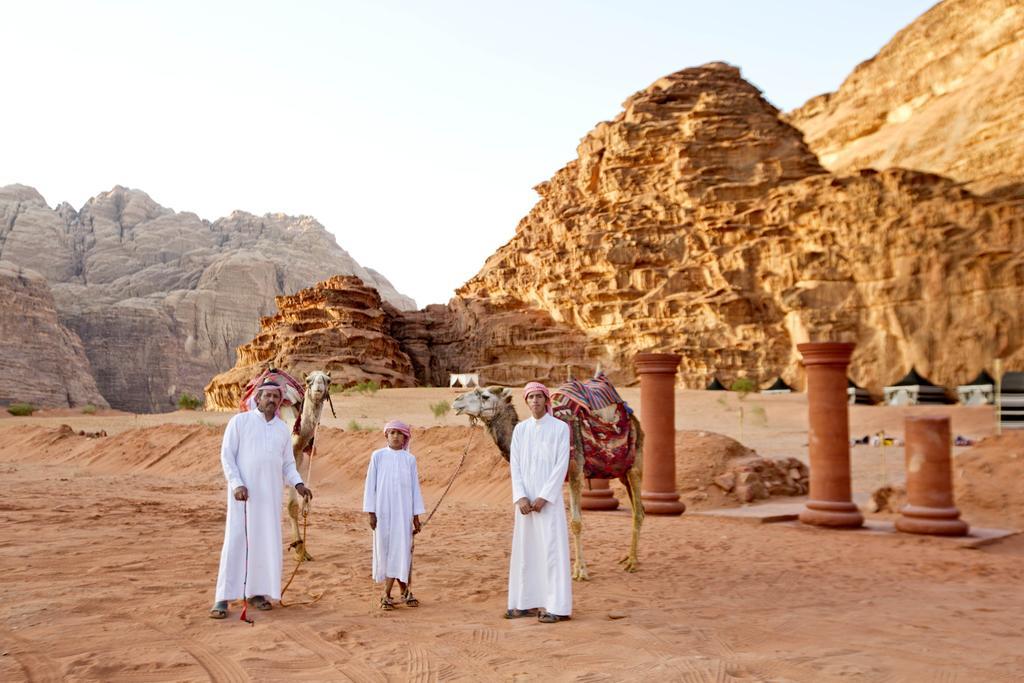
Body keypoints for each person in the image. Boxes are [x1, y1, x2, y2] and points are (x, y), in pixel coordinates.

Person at [209, 379, 313, 619]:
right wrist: (237, 484)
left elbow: (287, 464)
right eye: (267, 396)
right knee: (236, 542)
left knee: (264, 543)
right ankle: (222, 598)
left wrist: (298, 484)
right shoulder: (239, 422)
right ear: (257, 398)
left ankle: (256, 593)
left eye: (276, 397)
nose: (272, 400)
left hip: (269, 498)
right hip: (243, 497)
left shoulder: (281, 430)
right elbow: (227, 457)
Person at [505, 381, 572, 623]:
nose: (535, 401)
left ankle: (557, 607)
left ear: (546, 400)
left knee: (552, 550)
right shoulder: (520, 430)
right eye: (530, 397)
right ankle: (525, 603)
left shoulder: (560, 428)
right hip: (524, 503)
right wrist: (520, 496)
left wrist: (545, 496)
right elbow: (517, 466)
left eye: (539, 396)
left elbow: (560, 465)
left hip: (548, 502)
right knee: (526, 550)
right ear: (526, 401)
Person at [363, 420, 426, 610]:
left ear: (405, 437)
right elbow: (370, 486)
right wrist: (371, 513)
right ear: (386, 436)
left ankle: (387, 594)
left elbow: (415, 489)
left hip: (403, 513)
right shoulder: (378, 456)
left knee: (401, 551)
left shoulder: (410, 460)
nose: (396, 436)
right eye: (392, 433)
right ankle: (402, 592)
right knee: (387, 551)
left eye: (400, 433)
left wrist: (416, 518)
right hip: (382, 513)